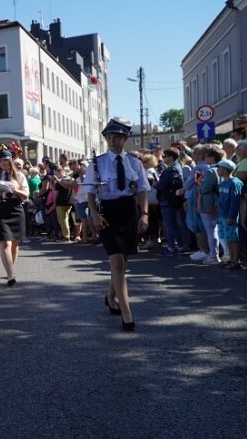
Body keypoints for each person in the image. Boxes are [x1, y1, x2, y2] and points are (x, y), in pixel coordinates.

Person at [84, 117, 150, 332]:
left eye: (117, 137)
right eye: (109, 137)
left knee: (125, 260)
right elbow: (91, 194)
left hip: (129, 211)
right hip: (107, 213)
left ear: (125, 138)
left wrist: (144, 214)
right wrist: (93, 215)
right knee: (117, 263)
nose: (112, 141)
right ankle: (127, 313)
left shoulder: (134, 162)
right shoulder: (97, 163)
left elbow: (142, 189)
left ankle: (111, 296)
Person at [0, 148, 30, 286]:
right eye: (0, 161)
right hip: (0, 209)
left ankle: (10, 269)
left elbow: (26, 195)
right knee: (5, 242)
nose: (3, 163)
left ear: (10, 161)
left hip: (15, 208)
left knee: (14, 243)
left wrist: (16, 190)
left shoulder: (19, 175)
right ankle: (10, 275)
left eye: (6, 160)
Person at [216, 159, 244, 270]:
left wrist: (231, 216)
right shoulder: (223, 183)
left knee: (233, 238)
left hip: (230, 216)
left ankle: (236, 261)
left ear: (224, 169)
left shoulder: (234, 183)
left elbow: (235, 201)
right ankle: (231, 259)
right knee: (228, 238)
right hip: (222, 215)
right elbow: (220, 201)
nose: (217, 170)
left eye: (219, 168)